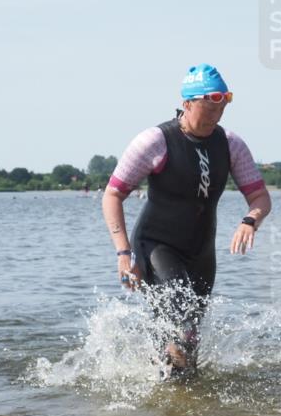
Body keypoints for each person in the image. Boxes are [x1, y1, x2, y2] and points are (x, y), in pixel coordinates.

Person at [102, 63, 271, 378]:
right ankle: (168, 394)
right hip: (157, 244)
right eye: (207, 108)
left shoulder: (231, 144)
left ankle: (176, 403)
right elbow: (112, 195)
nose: (214, 117)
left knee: (189, 334)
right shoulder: (155, 141)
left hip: (201, 252)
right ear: (187, 103)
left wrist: (250, 220)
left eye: (220, 108)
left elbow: (261, 197)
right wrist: (123, 253)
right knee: (182, 319)